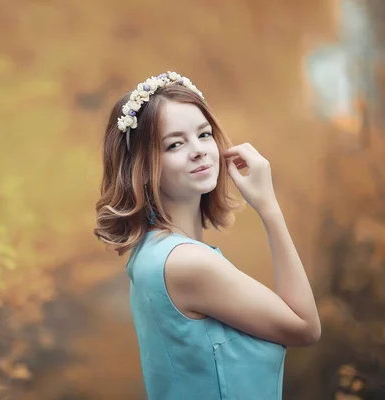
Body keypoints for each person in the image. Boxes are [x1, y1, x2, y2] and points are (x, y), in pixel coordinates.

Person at [93, 71, 321, 400]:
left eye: (204, 134)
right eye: (175, 144)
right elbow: (306, 327)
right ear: (141, 168)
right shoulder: (187, 263)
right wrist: (269, 209)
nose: (199, 150)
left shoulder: (152, 251)